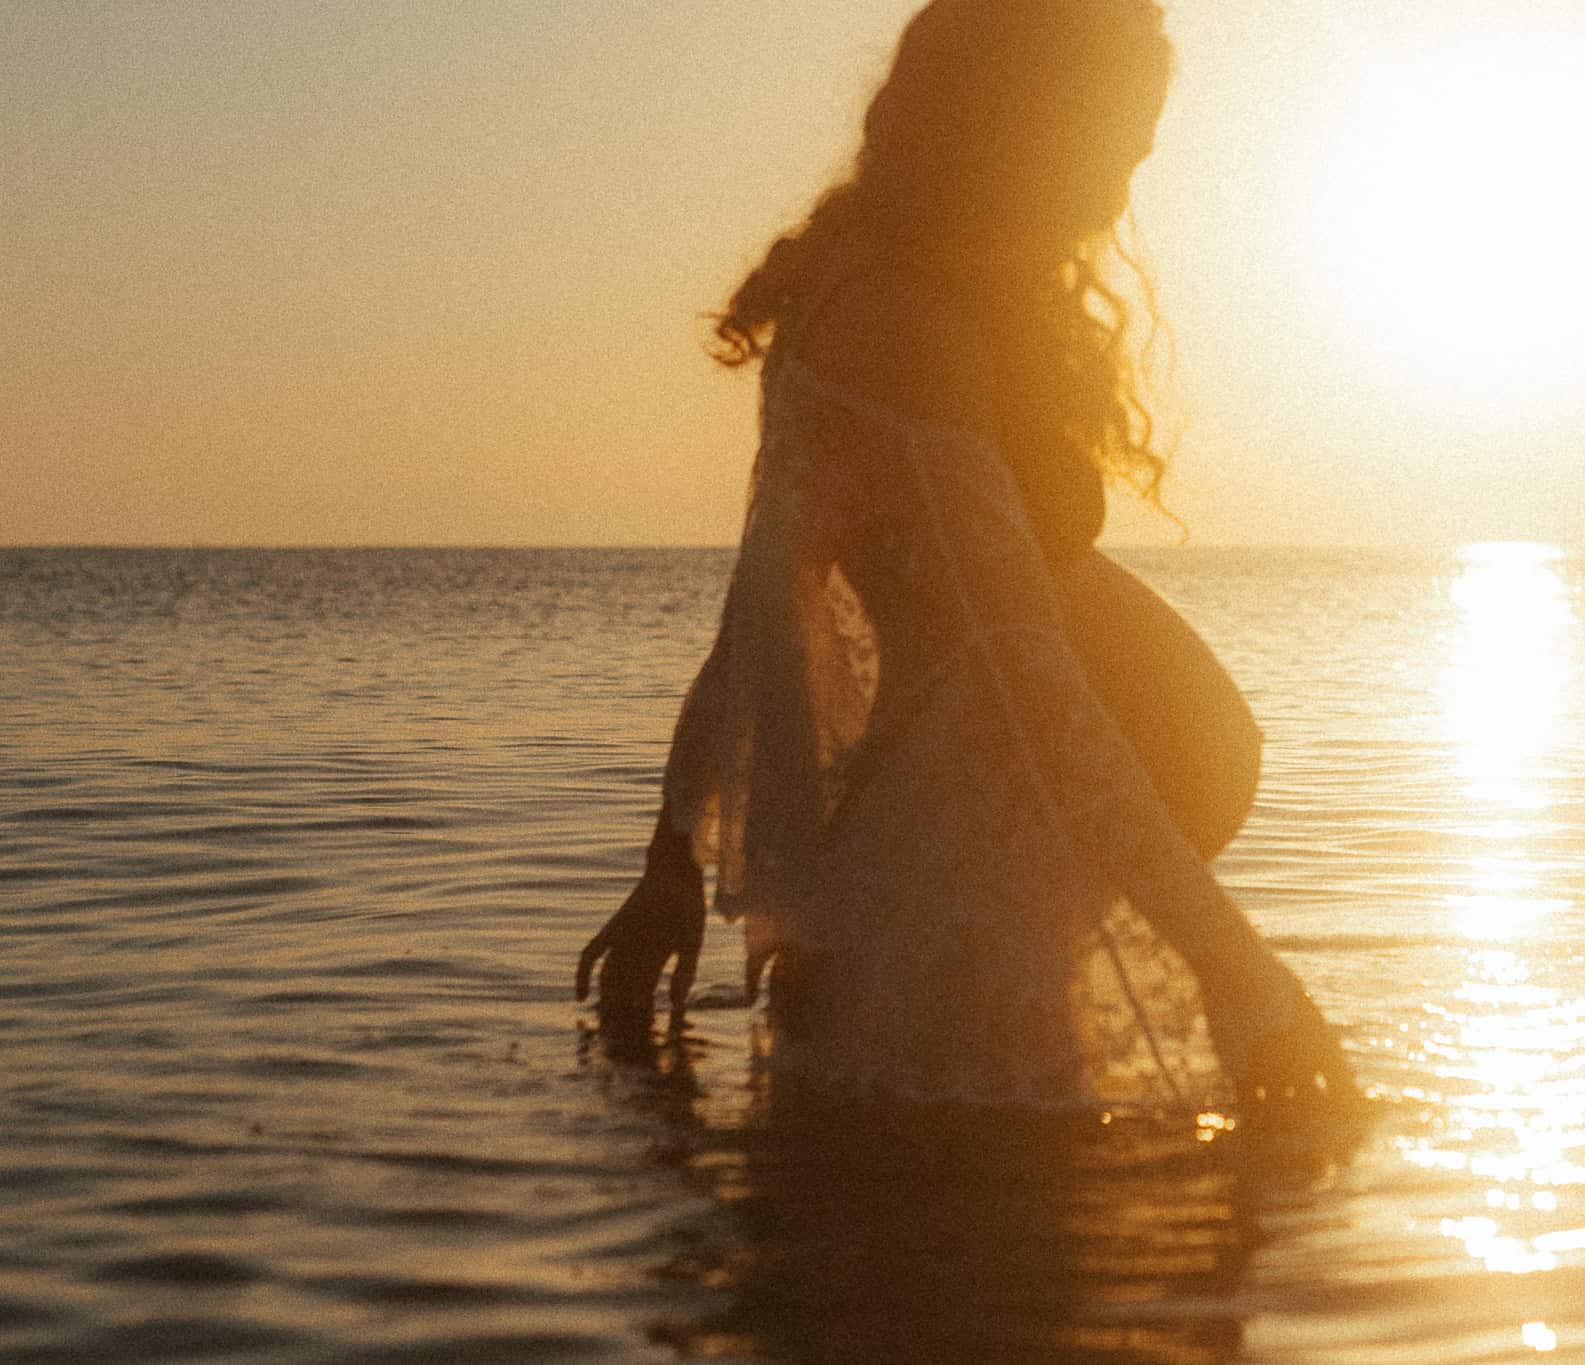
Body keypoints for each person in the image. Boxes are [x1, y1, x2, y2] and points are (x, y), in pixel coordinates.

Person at [577, 0, 1361, 1125]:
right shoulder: (899, 329)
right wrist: (1241, 975)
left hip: (983, 894)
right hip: (964, 913)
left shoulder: (913, 298)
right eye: (1111, 148)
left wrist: (669, 855)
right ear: (1019, 123)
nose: (1118, 194)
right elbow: (1024, 677)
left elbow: (763, 613)